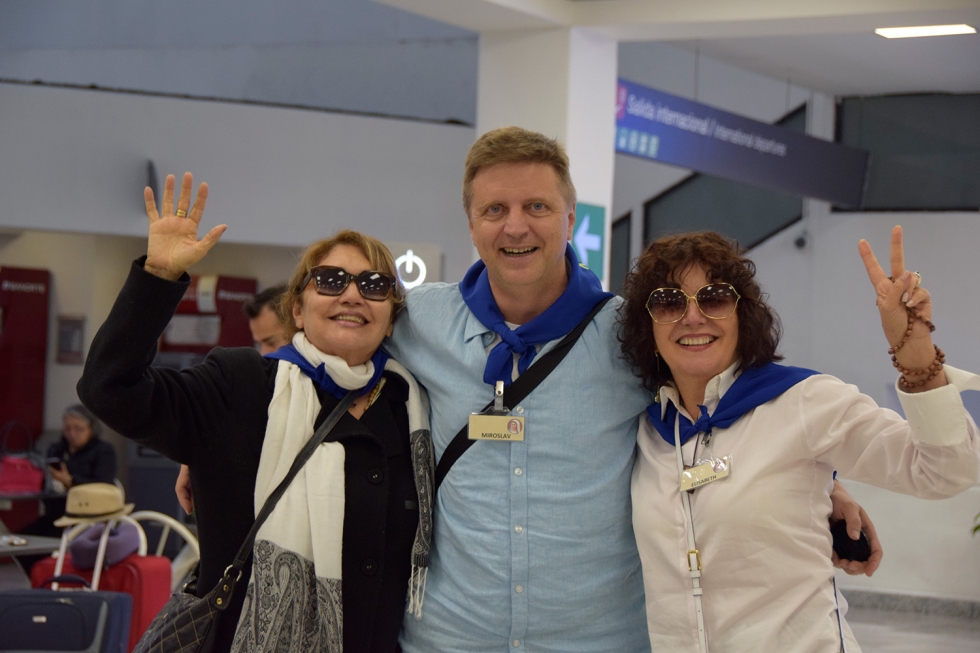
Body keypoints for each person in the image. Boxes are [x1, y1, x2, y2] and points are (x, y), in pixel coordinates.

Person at [384, 126, 877, 653]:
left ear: (570, 218)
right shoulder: (419, 322)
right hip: (452, 637)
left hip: (598, 641)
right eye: (494, 210)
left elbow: (723, 402)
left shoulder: (631, 334)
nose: (516, 226)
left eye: (537, 206)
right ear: (471, 223)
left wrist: (826, 485)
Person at [78, 172, 433, 653]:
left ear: (390, 317)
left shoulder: (411, 408)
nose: (352, 295)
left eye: (374, 285)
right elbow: (108, 388)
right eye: (331, 281)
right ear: (298, 311)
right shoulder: (240, 384)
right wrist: (158, 276)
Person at [618, 229, 980, 652]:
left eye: (714, 298)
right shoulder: (644, 432)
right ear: (648, 327)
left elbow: (946, 471)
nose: (693, 317)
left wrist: (917, 354)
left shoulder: (803, 402)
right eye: (669, 302)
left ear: (743, 316)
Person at [175, 284, 289, 515]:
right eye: (259, 343)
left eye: (271, 341)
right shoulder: (259, 383)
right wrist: (197, 452)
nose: (264, 353)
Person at [18, 404, 117, 570]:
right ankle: (37, 579)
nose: (72, 434)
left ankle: (53, 576)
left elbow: (103, 485)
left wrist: (70, 481)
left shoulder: (103, 451)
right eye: (68, 428)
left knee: (47, 545)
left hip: (87, 517)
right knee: (21, 540)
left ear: (91, 428)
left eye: (78, 429)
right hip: (57, 513)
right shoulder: (57, 449)